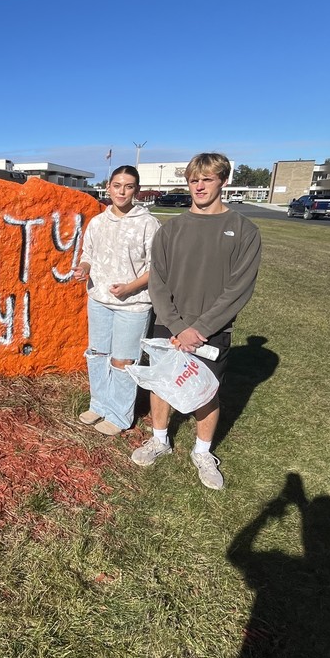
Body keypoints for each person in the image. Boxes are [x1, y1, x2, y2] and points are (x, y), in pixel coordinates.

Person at [131, 152, 261, 490]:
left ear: (223, 181)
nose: (199, 186)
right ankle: (159, 439)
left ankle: (203, 452)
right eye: (194, 180)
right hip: (169, 324)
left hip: (212, 329)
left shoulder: (243, 230)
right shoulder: (171, 229)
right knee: (162, 384)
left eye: (207, 179)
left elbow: (239, 287)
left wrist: (200, 329)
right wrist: (176, 326)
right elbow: (157, 281)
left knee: (205, 391)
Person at [74, 165, 160, 436]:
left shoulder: (148, 223)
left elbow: (157, 266)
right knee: (97, 355)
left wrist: (130, 287)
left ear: (136, 190)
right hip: (99, 299)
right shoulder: (98, 222)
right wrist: (84, 268)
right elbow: (87, 253)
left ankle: (120, 414)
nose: (122, 191)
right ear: (108, 186)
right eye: (117, 185)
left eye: (128, 186)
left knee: (124, 361)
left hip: (133, 304)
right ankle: (98, 404)